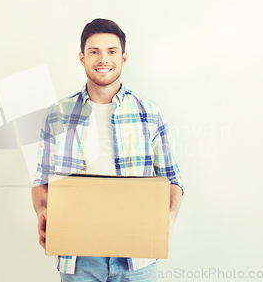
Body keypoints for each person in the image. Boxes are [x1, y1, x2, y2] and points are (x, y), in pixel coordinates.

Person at [31, 18, 183, 282]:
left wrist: (169, 217)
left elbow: (172, 178)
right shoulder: (59, 115)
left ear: (124, 57)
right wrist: (43, 211)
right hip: (78, 258)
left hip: (138, 257)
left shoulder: (149, 112)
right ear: (82, 58)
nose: (103, 59)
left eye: (111, 51)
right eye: (94, 52)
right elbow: (41, 182)